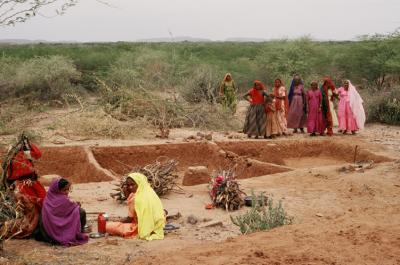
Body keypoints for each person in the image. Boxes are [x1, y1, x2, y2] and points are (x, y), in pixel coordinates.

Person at [106, 173, 165, 241]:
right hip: (156, 225)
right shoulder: (150, 192)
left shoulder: (135, 198)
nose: (130, 187)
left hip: (141, 227)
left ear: (139, 183)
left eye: (132, 184)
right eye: (128, 185)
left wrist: (118, 221)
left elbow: (129, 219)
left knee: (108, 226)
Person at [35, 177, 88, 246]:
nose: (67, 192)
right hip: (56, 230)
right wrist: (77, 205)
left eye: (68, 189)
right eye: (64, 190)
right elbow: (73, 207)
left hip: (48, 232)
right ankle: (78, 232)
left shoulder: (48, 197)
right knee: (81, 212)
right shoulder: (63, 200)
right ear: (57, 190)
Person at [6, 137, 46, 207]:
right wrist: (30, 144)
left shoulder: (12, 158)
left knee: (40, 199)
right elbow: (38, 154)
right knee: (39, 201)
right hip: (24, 184)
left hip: (26, 183)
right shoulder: (22, 155)